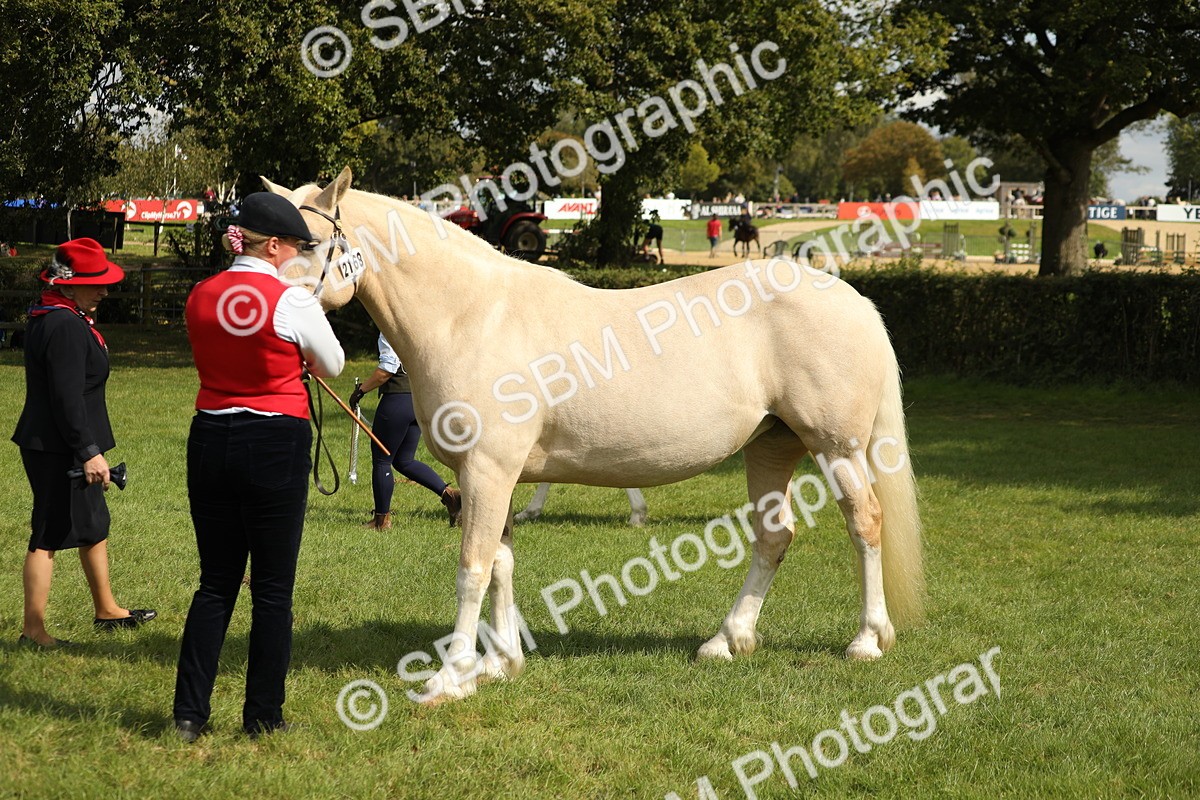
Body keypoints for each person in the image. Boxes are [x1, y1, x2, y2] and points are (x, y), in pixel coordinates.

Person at [173, 192, 345, 742]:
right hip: (273, 438)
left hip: (210, 435)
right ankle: (262, 717)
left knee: (215, 584)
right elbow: (334, 364)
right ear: (272, 244)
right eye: (294, 246)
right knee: (272, 590)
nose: (297, 255)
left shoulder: (201, 293)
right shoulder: (290, 299)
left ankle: (189, 713)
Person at [11, 238, 156, 649]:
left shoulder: (61, 314)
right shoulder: (63, 325)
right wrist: (88, 451)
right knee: (50, 531)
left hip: (69, 441)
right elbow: (66, 397)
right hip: (59, 447)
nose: (105, 291)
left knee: (93, 524)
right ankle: (34, 631)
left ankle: (106, 609)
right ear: (69, 286)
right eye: (96, 283)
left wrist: (91, 447)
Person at [350, 333, 461, 531]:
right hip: (417, 401)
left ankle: (381, 521)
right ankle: (451, 496)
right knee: (404, 461)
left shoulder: (389, 331)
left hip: (396, 401)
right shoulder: (415, 325)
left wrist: (361, 390)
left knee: (382, 460)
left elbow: (386, 370)